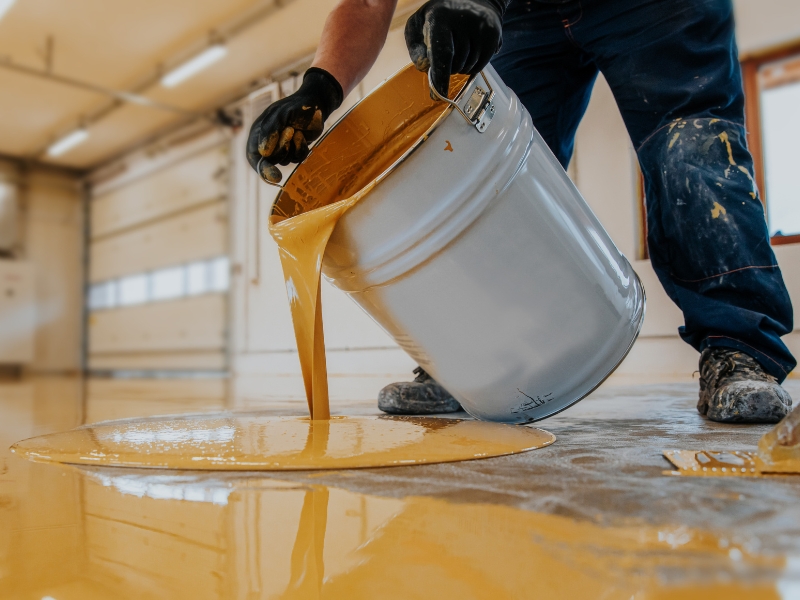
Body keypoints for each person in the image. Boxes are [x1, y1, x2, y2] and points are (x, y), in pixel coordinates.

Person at [246, 0, 795, 424]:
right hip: (527, 12)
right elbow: (366, 5)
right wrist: (319, 87)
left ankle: (739, 348)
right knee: (470, 159)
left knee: (688, 143)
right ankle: (469, 366)